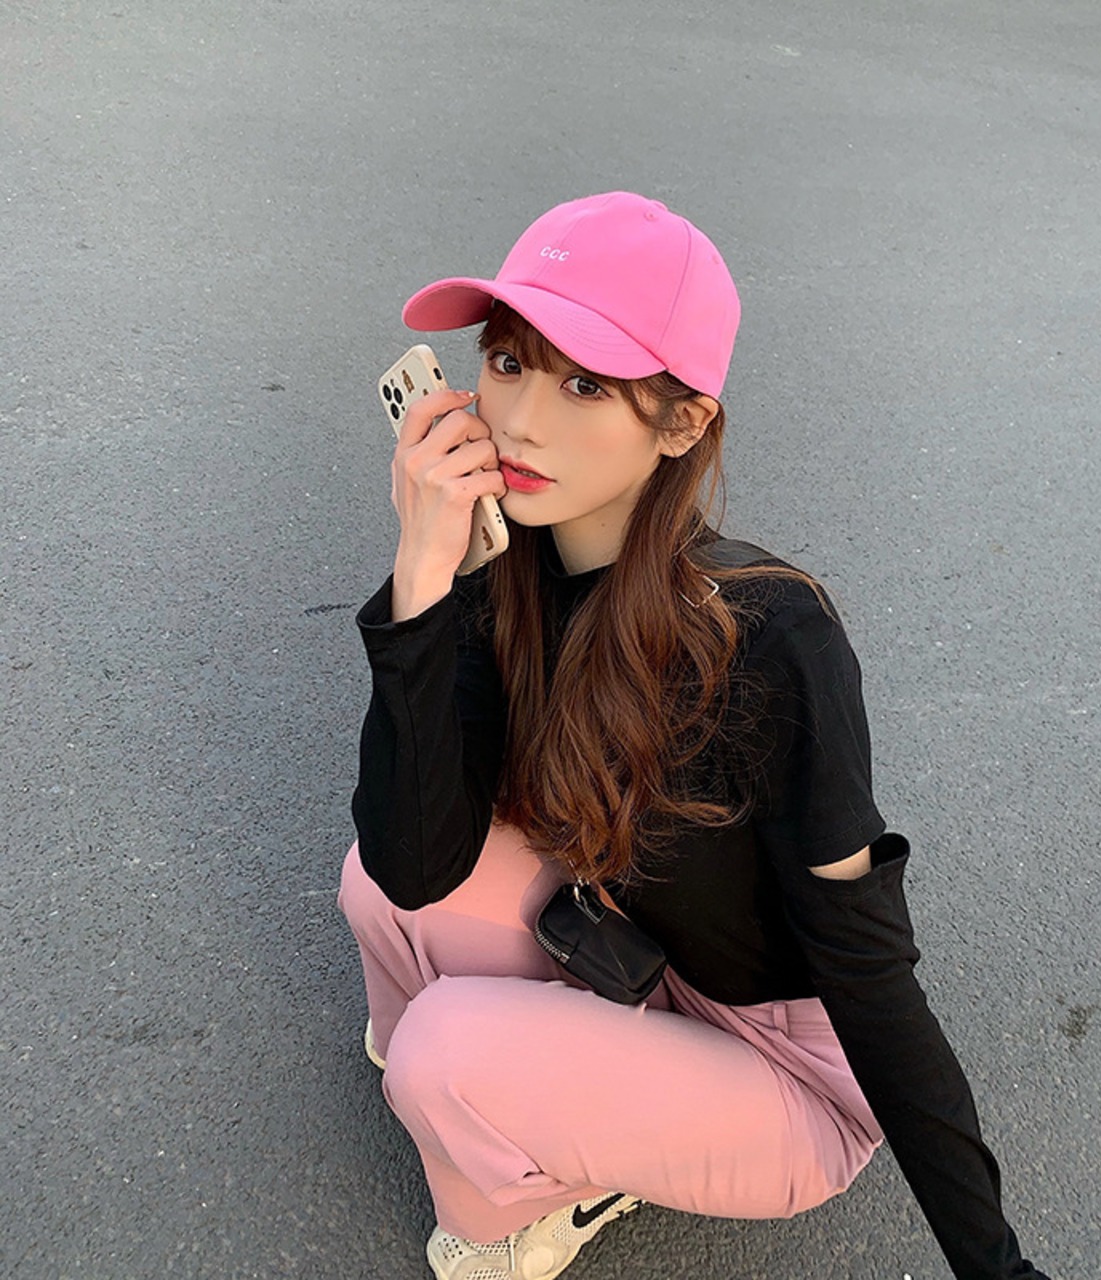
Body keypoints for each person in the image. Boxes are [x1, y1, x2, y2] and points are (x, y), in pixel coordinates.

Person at [339, 191, 1054, 1280]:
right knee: (377, 888)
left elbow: (869, 973)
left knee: (444, 1052)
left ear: (680, 426)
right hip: (638, 948)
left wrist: (996, 1266)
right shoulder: (503, 567)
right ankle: (507, 1100)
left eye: (585, 383)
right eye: (508, 362)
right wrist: (423, 579)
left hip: (786, 1073)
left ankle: (528, 1181)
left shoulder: (769, 638)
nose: (520, 419)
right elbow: (414, 860)